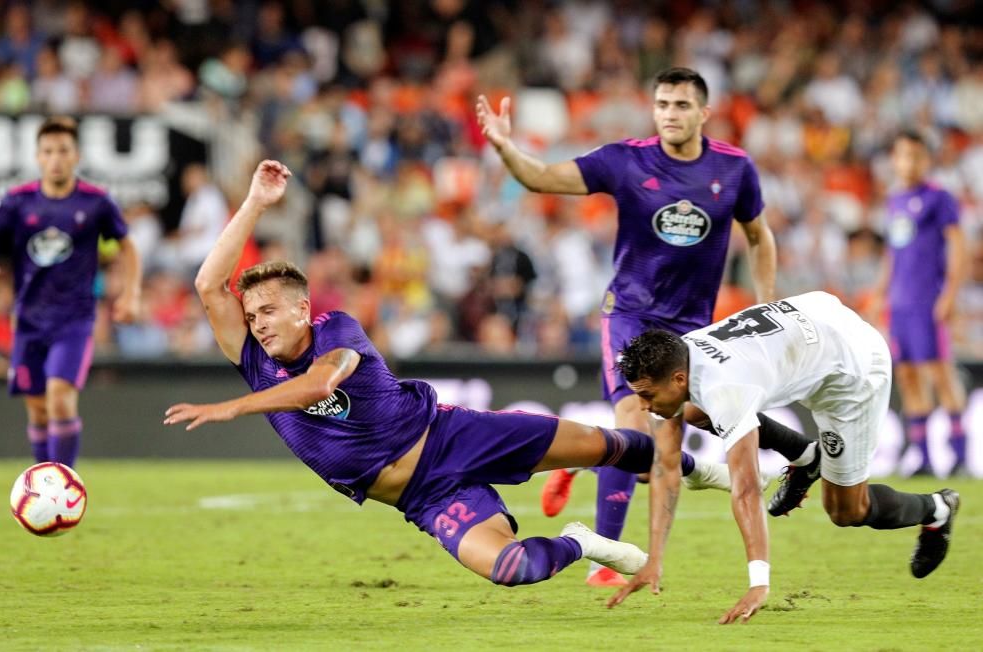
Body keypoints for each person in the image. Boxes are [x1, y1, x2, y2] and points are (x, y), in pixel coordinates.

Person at [163, 160, 684, 587]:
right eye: (251, 316)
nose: (257, 325)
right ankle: (583, 542)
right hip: (423, 497)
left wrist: (232, 406)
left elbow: (319, 386)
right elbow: (210, 285)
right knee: (512, 569)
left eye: (268, 312)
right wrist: (254, 202)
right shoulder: (256, 361)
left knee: (617, 447)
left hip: (452, 436)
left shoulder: (336, 330)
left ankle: (705, 468)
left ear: (301, 309)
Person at [476, 66, 777, 586]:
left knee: (658, 451)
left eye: (681, 105)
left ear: (704, 112)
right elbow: (542, 177)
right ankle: (604, 562)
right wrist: (506, 148)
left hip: (691, 331)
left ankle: (581, 463)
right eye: (662, 104)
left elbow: (759, 236)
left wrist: (767, 309)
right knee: (633, 429)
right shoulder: (626, 160)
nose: (670, 114)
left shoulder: (734, 170)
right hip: (631, 314)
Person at [608, 292, 960, 623]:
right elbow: (666, 465)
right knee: (695, 412)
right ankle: (807, 457)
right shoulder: (681, 354)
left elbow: (746, 489)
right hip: (815, 317)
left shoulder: (724, 390)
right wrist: (654, 559)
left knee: (847, 510)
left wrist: (758, 581)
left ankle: (937, 508)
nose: (642, 406)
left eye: (647, 395)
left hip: (853, 369)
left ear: (678, 378)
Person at [0, 116, 141, 468]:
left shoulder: (97, 202)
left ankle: (62, 480)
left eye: (63, 150)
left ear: (76, 156)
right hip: (27, 319)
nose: (55, 158)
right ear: (38, 156)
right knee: (38, 410)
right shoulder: (15, 201)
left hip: (74, 318)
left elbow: (128, 247)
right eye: (48, 151)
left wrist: (131, 295)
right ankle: (44, 479)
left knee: (59, 399)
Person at [871, 130, 968, 476]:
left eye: (916, 156)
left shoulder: (939, 198)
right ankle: (923, 456)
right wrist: (880, 294)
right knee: (909, 376)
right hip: (900, 304)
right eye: (903, 156)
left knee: (940, 372)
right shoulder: (894, 200)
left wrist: (950, 294)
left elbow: (958, 245)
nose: (909, 163)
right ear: (894, 160)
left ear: (926, 159)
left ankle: (959, 453)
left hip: (929, 299)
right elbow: (892, 254)